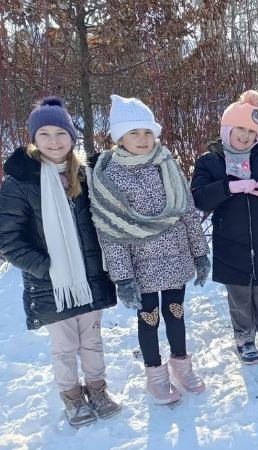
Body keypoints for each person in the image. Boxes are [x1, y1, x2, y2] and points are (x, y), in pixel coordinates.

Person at [0, 97, 120, 426]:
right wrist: (45, 267)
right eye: (45, 134)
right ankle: (72, 397)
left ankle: (97, 389)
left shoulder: (84, 174)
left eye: (61, 133)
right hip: (52, 283)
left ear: (72, 137)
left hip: (90, 277)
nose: (54, 141)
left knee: (93, 340)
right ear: (33, 139)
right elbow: (8, 239)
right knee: (64, 346)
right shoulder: (20, 183)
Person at [87, 95, 210, 404]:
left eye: (147, 132)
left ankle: (181, 366)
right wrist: (123, 278)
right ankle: (155, 374)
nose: (142, 139)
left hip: (176, 259)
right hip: (140, 266)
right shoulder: (109, 176)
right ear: (119, 137)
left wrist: (200, 253)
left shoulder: (167, 165)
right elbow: (111, 232)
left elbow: (187, 212)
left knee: (177, 314)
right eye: (134, 133)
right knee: (149, 319)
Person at [191, 90, 258, 365]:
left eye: (251, 131)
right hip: (231, 245)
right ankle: (245, 338)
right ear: (227, 128)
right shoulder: (210, 161)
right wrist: (228, 187)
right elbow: (199, 197)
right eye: (240, 129)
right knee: (239, 296)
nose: (245, 136)